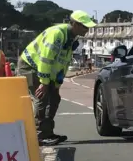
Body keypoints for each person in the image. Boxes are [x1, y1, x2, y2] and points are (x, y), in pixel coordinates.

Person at [18, 10, 96, 146]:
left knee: (54, 98)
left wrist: (57, 83)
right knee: (41, 98)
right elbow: (45, 60)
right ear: (75, 24)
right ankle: (38, 135)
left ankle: (47, 133)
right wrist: (44, 83)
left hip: (44, 69)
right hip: (30, 65)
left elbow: (63, 62)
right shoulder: (57, 34)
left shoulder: (71, 38)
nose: (87, 30)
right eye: (84, 26)